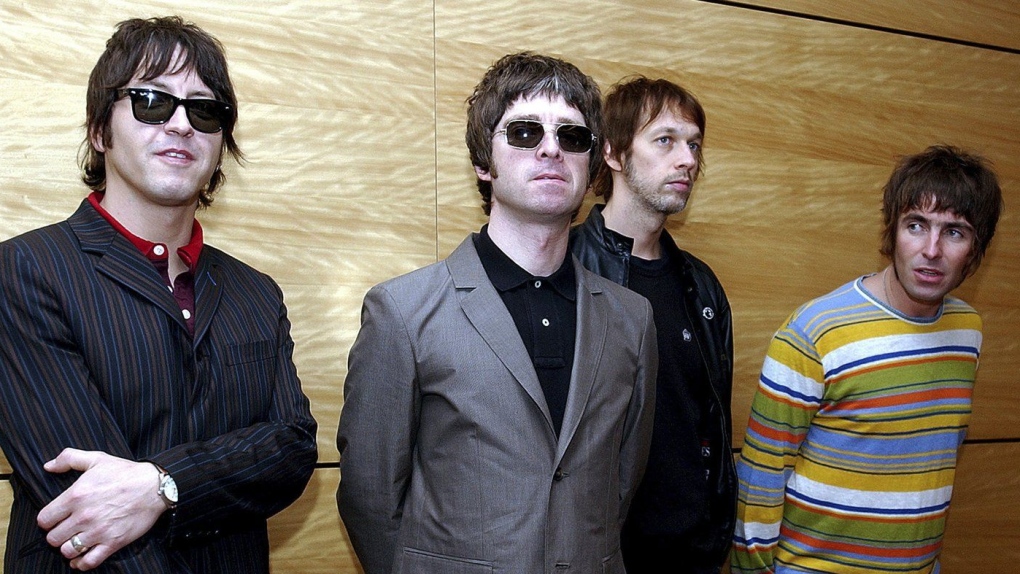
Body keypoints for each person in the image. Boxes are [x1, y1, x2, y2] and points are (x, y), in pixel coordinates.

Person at [0, 16, 317, 573]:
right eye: (150, 101)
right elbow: (85, 498)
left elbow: (291, 451)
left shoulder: (256, 292)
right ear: (100, 131)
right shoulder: (25, 270)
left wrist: (162, 484)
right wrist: (213, 474)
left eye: (204, 110)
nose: (180, 125)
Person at [336, 52, 658, 574]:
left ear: (592, 163)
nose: (552, 148)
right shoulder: (403, 310)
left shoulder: (632, 318)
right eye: (525, 133)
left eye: (573, 137)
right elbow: (370, 497)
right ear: (484, 163)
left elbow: (621, 481)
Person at [731, 145, 1003, 574]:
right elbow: (760, 479)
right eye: (917, 225)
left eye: (954, 232)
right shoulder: (815, 331)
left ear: (976, 246)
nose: (931, 249)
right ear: (892, 230)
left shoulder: (968, 331)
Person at [571, 76, 736, 573]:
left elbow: (710, 422)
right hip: (601, 553)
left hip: (693, 552)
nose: (687, 159)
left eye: (693, 144)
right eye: (665, 140)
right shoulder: (565, 269)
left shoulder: (701, 287)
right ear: (615, 155)